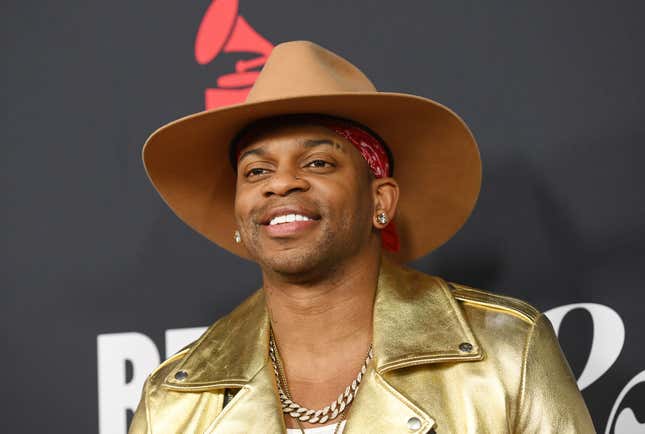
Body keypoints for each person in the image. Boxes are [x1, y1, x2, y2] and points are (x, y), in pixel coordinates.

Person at [130, 41, 595, 433]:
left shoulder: (506, 352)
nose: (280, 183)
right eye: (256, 171)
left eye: (317, 163)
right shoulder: (174, 398)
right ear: (239, 218)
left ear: (381, 202)